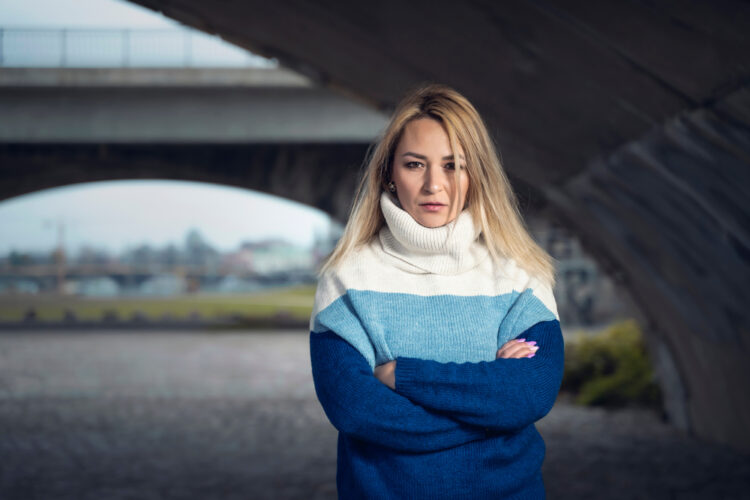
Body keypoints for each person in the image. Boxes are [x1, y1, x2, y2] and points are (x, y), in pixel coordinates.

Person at [309, 82, 564, 499]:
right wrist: (490, 410)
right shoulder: (347, 279)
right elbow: (355, 409)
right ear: (389, 173)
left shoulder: (520, 273)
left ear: (476, 174)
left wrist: (401, 375)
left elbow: (529, 391)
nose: (434, 185)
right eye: (414, 164)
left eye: (453, 165)